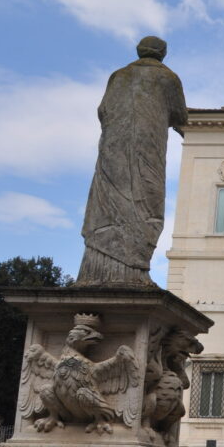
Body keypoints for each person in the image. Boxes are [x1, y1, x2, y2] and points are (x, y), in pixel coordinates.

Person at [78, 36, 187, 287]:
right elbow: (181, 116)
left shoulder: (118, 76)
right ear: (163, 53)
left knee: (108, 201)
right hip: (148, 149)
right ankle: (133, 271)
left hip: (113, 149)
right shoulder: (168, 78)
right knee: (147, 203)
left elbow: (103, 111)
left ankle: (97, 268)